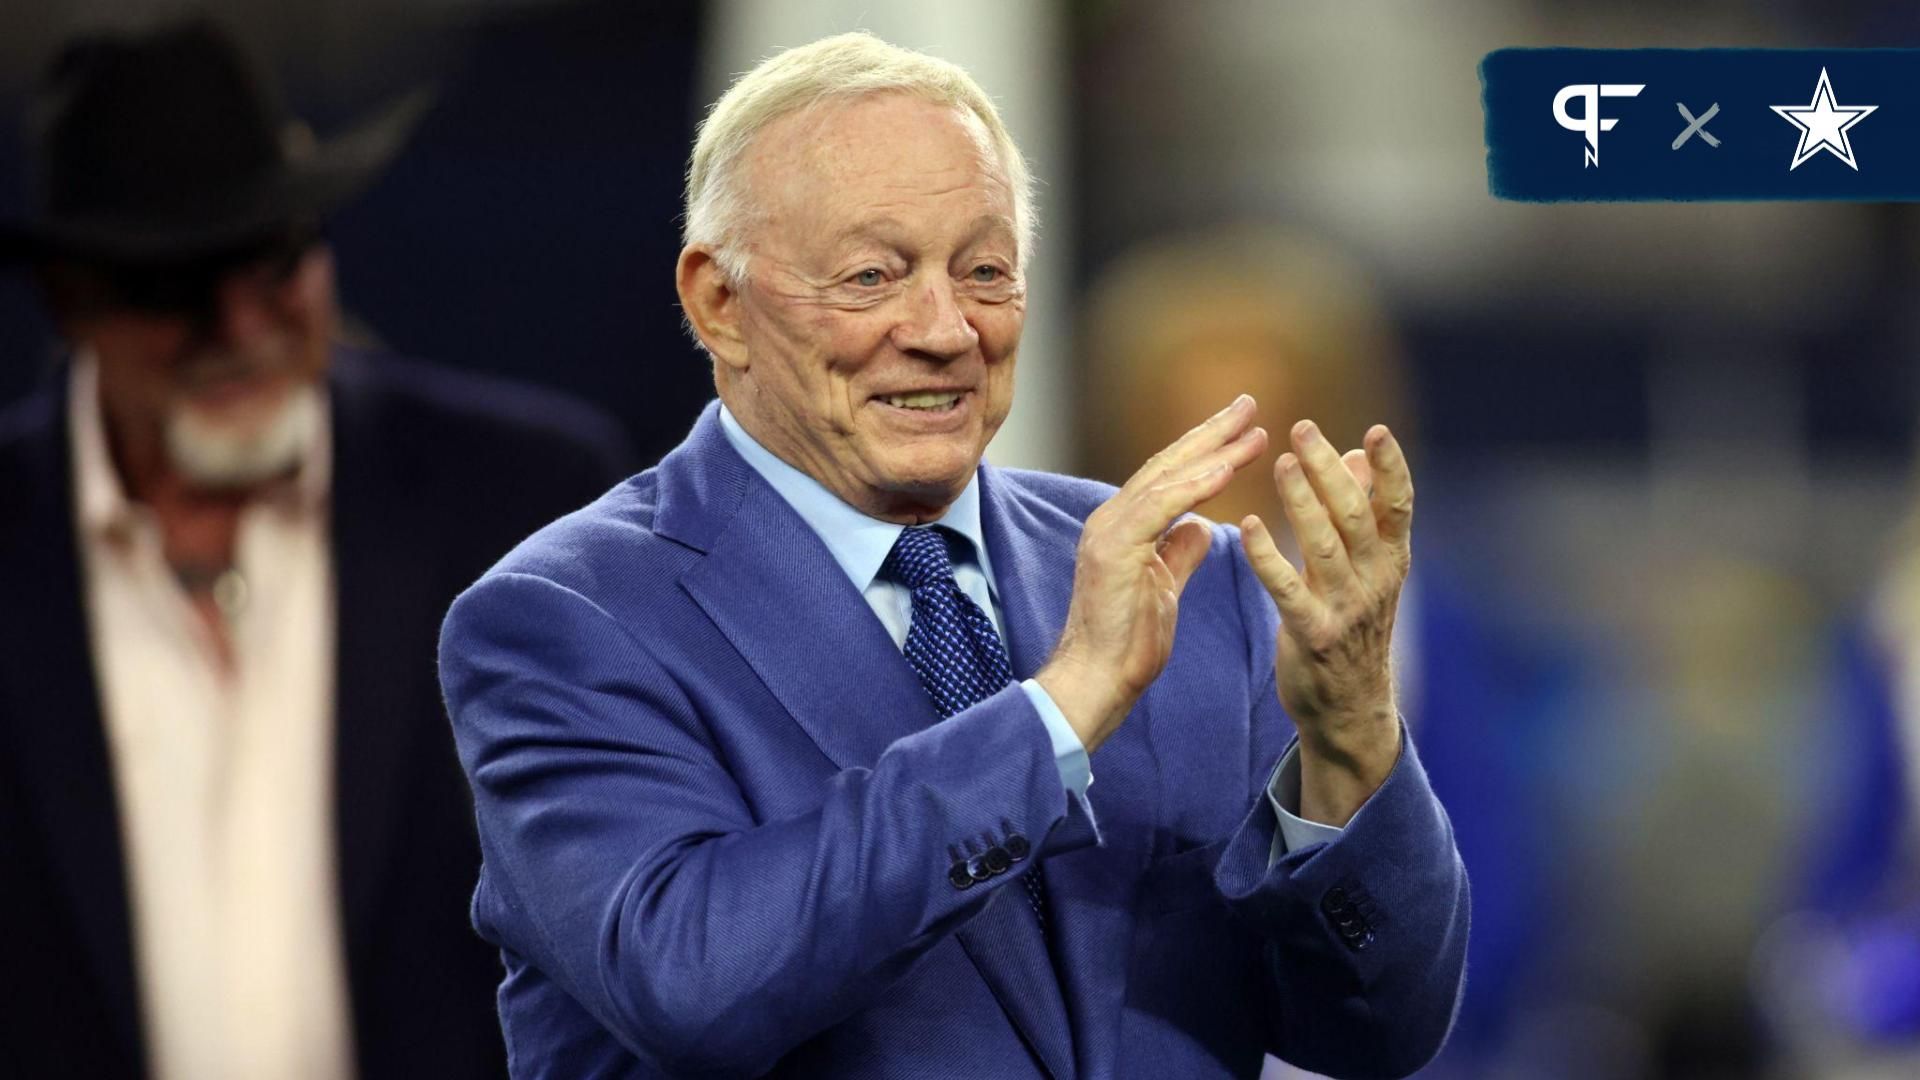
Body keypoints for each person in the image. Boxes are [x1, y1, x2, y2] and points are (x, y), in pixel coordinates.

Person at [439, 32, 1468, 1078]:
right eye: (873, 275)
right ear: (718, 303)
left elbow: (1378, 1031)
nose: (943, 329)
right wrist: (1056, 713)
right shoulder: (567, 619)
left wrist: (1348, 746)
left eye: (983, 271)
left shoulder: (1192, 583)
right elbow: (693, 981)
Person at [0, 19, 632, 1079]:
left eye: (276, 257)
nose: (243, 324)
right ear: (74, 299)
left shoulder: (528, 504)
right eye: (179, 282)